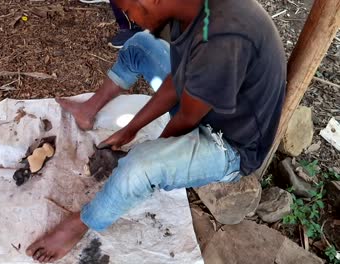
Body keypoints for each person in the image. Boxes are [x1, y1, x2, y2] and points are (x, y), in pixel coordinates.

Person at [27, 0, 286, 262]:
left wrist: (151, 153)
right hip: (209, 103)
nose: (130, 19)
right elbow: (179, 80)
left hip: (230, 144)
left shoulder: (220, 38)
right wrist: (131, 128)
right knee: (139, 46)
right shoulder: (189, 10)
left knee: (139, 168)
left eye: (128, 11)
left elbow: (186, 116)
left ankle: (81, 223)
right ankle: (89, 109)